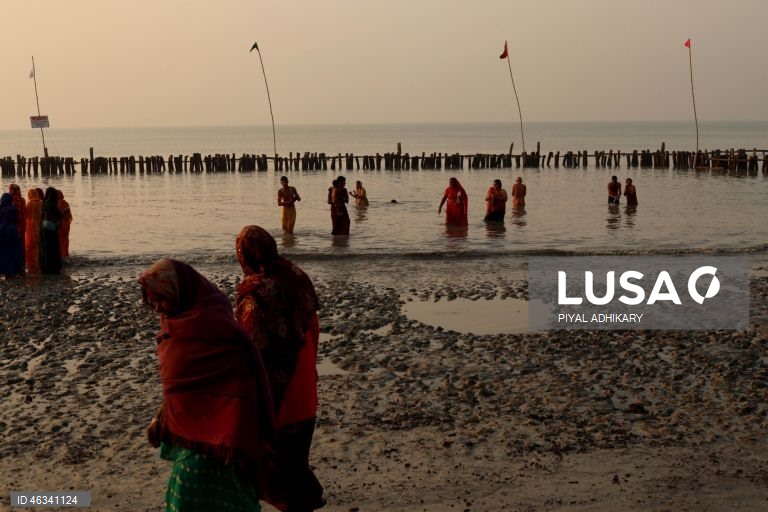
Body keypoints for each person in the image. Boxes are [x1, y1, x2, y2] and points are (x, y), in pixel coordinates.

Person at [139, 258, 275, 512]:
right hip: (194, 438)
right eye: (152, 301)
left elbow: (240, 385)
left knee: (206, 494)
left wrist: (232, 433)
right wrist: (161, 418)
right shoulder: (173, 327)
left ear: (180, 292)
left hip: (228, 437)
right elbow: (182, 390)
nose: (157, 307)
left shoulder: (213, 325)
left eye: (162, 298)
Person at [234, 226, 325, 512]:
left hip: (278, 393)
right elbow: (313, 325)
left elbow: (250, 348)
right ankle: (308, 498)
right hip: (304, 383)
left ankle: (304, 501)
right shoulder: (296, 276)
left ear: (244, 255)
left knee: (275, 469)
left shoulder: (255, 293)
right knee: (295, 461)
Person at [0, 193, 24, 277]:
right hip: (12, 231)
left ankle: (4, 271)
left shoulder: (0, 208)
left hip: (2, 231)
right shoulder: (13, 209)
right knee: (14, 251)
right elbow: (16, 221)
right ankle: (12, 271)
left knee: (3, 252)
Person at [40, 187, 62, 274]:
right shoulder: (52, 204)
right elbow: (59, 215)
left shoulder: (44, 203)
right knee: (53, 248)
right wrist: (65, 211)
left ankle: (45, 267)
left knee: (45, 248)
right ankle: (53, 267)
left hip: (43, 227)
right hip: (52, 227)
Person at [9, 184, 26, 274]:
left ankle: (14, 267)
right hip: (22, 227)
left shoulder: (11, 200)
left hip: (13, 228)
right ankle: (22, 267)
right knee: (21, 247)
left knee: (13, 247)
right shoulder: (22, 200)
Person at [25, 188, 43, 274]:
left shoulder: (29, 204)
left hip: (30, 230)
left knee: (30, 248)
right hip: (40, 227)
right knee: (38, 247)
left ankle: (31, 266)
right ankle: (39, 264)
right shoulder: (41, 203)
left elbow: (26, 216)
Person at [57, 190, 73, 259]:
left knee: (59, 242)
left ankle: (60, 256)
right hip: (66, 226)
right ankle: (65, 255)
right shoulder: (66, 203)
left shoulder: (56, 203)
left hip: (59, 226)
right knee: (65, 241)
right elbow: (69, 217)